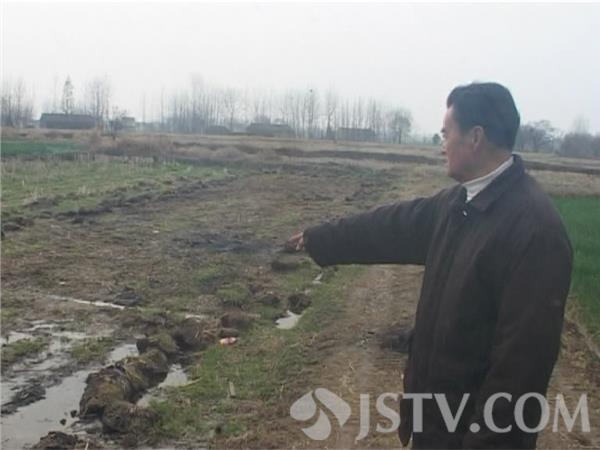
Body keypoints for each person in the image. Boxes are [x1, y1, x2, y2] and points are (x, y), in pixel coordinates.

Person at [287, 82, 573, 449]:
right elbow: (390, 228)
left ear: (475, 138)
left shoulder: (534, 232)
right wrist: (321, 239)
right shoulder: (458, 203)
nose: (441, 146)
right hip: (433, 426)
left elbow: (521, 370)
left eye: (445, 134)